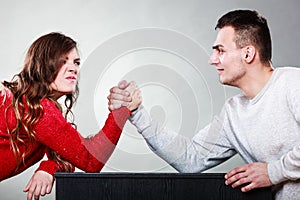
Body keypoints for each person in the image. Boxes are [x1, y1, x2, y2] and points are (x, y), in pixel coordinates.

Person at [108, 10, 300, 199]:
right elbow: (191, 158)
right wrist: (137, 113)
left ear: (248, 53)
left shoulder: (293, 83)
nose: (212, 60)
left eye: (220, 50)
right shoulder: (233, 112)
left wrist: (273, 172)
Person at [0, 32, 142, 200]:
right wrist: (121, 111)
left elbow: (68, 153)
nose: (73, 68)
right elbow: (91, 159)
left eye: (76, 62)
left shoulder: (32, 106)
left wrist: (49, 168)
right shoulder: (38, 110)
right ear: (41, 65)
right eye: (62, 60)